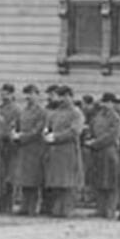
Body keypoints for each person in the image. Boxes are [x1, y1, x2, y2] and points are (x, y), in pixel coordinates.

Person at [43, 85, 85, 217]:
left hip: (68, 151)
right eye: (60, 96)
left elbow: (75, 131)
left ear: (71, 97)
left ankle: (67, 209)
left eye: (65, 96)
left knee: (68, 182)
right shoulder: (55, 113)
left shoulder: (76, 113)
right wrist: (46, 133)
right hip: (55, 151)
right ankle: (57, 209)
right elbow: (48, 127)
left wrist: (56, 136)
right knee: (56, 182)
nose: (62, 99)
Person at [85, 93, 120, 219]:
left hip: (110, 151)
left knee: (111, 182)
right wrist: (89, 140)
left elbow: (113, 135)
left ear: (113, 103)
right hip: (97, 152)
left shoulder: (117, 119)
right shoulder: (97, 117)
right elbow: (90, 130)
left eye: (108, 102)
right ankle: (100, 208)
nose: (105, 105)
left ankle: (110, 209)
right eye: (104, 102)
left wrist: (96, 143)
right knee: (99, 180)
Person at [12, 84, 48, 215]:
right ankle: (24, 206)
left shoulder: (41, 112)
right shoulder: (24, 110)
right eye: (27, 94)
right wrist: (15, 134)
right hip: (23, 149)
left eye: (31, 93)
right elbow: (17, 125)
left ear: (37, 95)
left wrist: (22, 136)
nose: (29, 97)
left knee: (34, 179)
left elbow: (37, 130)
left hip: (35, 149)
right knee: (24, 179)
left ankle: (32, 207)